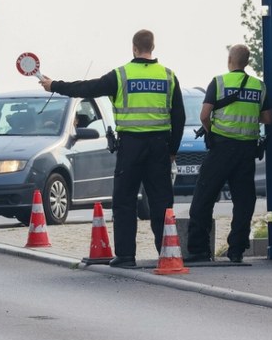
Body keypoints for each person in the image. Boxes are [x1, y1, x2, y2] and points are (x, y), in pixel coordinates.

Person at [39, 29, 185, 268]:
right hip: (159, 146)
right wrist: (172, 150)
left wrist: (54, 84)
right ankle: (167, 253)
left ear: (134, 48)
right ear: (153, 47)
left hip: (131, 147)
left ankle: (126, 256)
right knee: (161, 202)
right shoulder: (168, 76)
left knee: (125, 200)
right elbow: (179, 116)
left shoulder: (121, 75)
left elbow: (86, 88)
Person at [185, 44, 272, 263]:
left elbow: (205, 115)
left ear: (230, 60)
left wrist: (211, 131)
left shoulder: (219, 82)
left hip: (222, 149)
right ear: (247, 62)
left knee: (203, 197)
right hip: (246, 151)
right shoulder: (258, 86)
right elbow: (268, 118)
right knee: (244, 201)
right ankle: (236, 250)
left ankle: (199, 250)